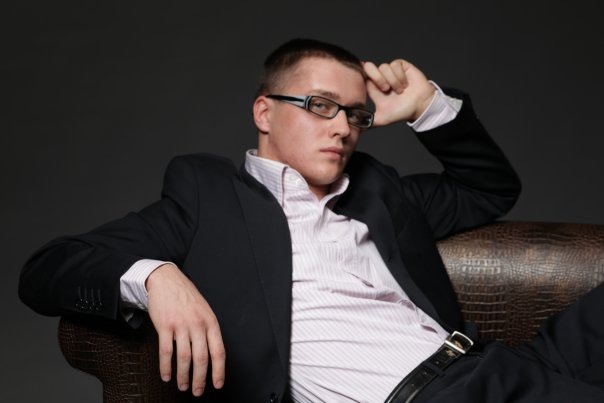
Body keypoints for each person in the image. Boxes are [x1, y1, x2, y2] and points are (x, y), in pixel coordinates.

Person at [19, 39, 604, 402]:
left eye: (355, 114)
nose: (343, 127)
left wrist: (426, 105)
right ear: (264, 112)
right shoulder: (208, 201)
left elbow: (489, 187)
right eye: (321, 106)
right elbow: (49, 268)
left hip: (497, 364)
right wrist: (155, 276)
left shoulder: (377, 191)